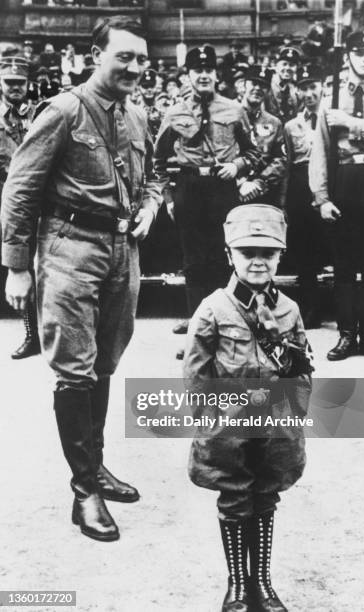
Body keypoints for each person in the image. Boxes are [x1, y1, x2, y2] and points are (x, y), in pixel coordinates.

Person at [1, 16, 162, 541]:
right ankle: (84, 491)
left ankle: (95, 466)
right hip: (70, 248)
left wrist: (151, 206)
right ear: (97, 55)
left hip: (123, 249)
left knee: (105, 360)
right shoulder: (64, 110)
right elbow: (21, 188)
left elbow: (154, 175)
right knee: (75, 369)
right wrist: (18, 265)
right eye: (124, 58)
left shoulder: (137, 116)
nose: (135, 68)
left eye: (141, 59)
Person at [184, 204, 312, 612]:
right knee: (235, 498)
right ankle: (238, 584)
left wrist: (293, 413)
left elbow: (302, 369)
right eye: (247, 252)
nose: (258, 261)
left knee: (267, 495)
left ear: (280, 256)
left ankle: (264, 582)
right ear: (229, 256)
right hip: (230, 425)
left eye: (268, 253)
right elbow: (196, 376)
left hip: (275, 423)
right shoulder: (213, 309)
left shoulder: (289, 310)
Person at [154, 44, 262, 356]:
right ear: (187, 75)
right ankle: (198, 337)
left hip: (221, 189)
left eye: (208, 70)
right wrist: (169, 198)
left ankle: (226, 333)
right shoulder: (175, 113)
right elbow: (158, 160)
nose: (203, 75)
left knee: (222, 261)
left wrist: (237, 166)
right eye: (197, 70)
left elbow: (253, 152)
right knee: (193, 263)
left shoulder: (233, 109)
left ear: (216, 74)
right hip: (189, 188)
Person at [309, 29, 364, 360]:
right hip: (344, 181)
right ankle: (348, 335)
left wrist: (351, 123)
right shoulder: (331, 93)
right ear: (348, 55)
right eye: (359, 51)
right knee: (345, 266)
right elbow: (319, 149)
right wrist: (322, 198)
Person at [0, 55, 41, 358]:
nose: (15, 88)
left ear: (29, 85)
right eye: (9, 83)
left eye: (20, 83)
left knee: (37, 268)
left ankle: (40, 334)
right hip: (6, 200)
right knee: (17, 265)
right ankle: (31, 333)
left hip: (39, 201)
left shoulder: (40, 115)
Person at [284, 64, 326, 328]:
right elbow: (287, 165)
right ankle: (311, 308)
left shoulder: (333, 118)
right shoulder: (292, 126)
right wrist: (284, 202)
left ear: (322, 87)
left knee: (334, 249)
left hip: (329, 188)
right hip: (301, 191)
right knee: (305, 252)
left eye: (313, 87)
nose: (309, 93)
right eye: (304, 88)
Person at [239, 65, 286, 207]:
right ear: (244, 85)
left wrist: (260, 182)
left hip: (263, 192)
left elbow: (281, 158)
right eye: (254, 83)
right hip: (232, 188)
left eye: (263, 85)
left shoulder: (274, 122)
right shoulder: (228, 116)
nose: (258, 88)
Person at [264, 47, 301, 125]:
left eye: (292, 65)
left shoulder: (296, 89)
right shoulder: (267, 85)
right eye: (284, 64)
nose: (287, 68)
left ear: (296, 68)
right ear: (276, 66)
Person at [138, 68, 162, 140]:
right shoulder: (133, 109)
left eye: (152, 86)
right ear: (139, 87)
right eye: (145, 86)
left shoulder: (165, 107)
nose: (149, 89)